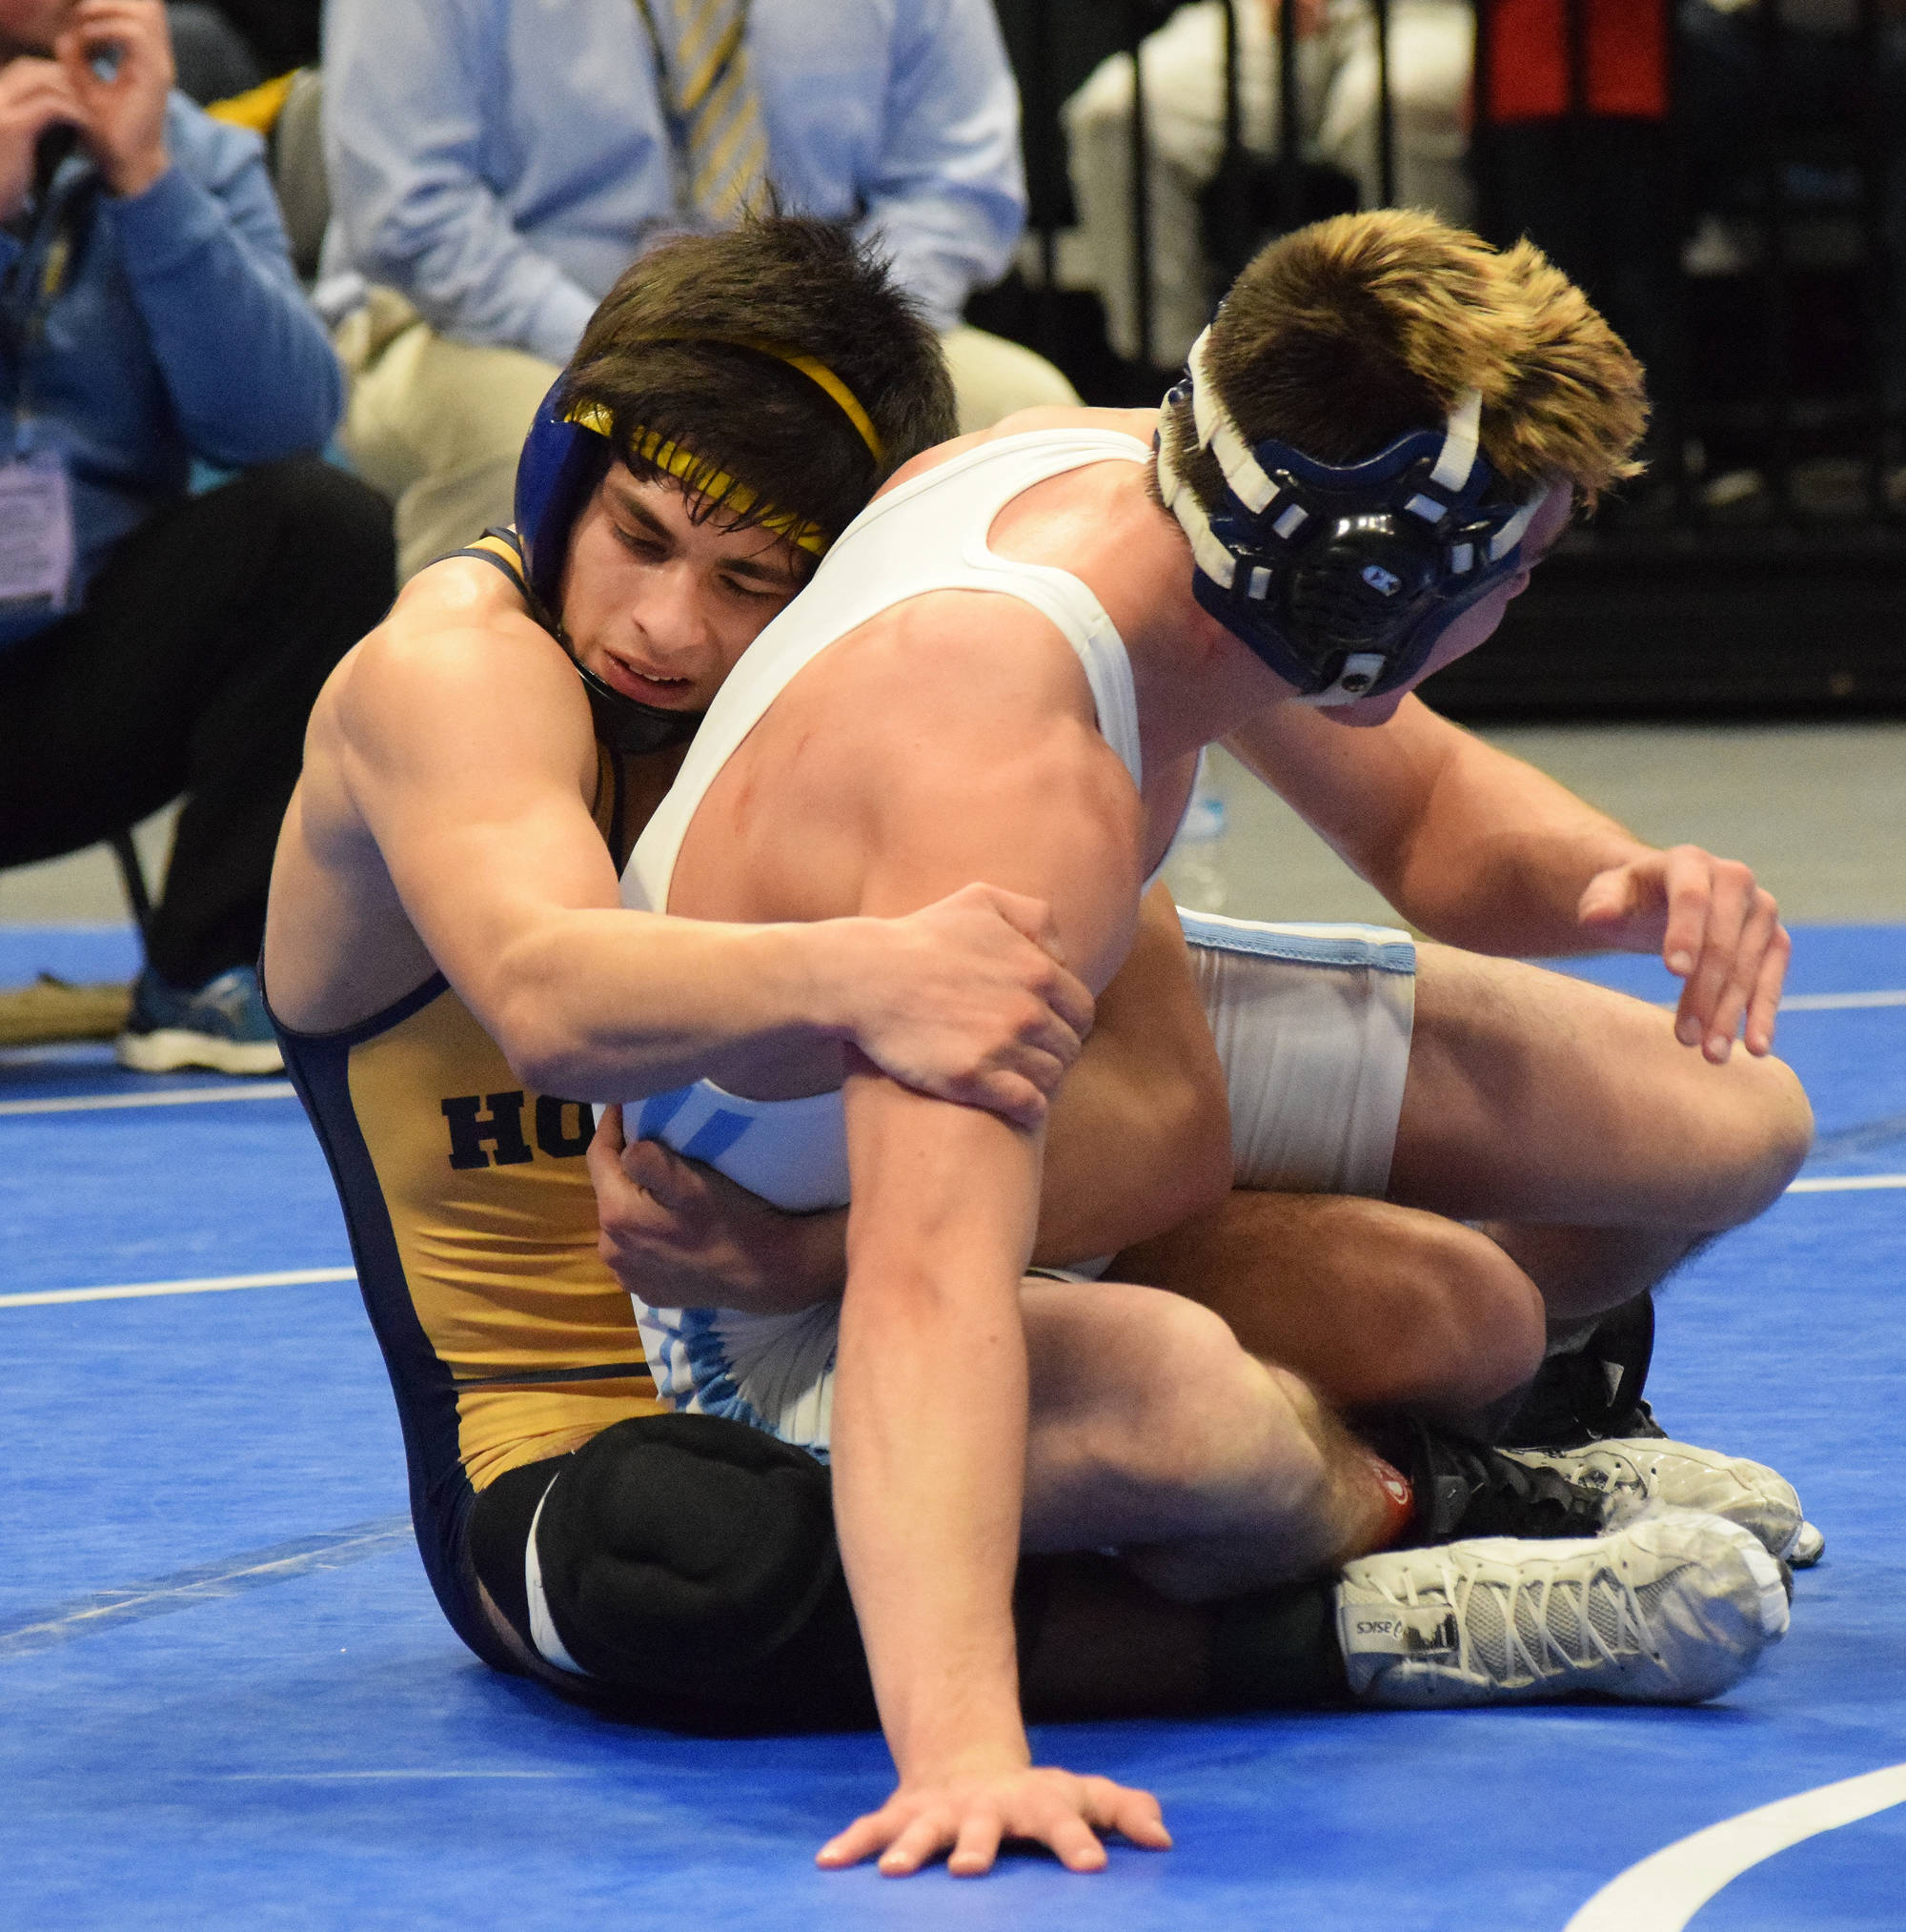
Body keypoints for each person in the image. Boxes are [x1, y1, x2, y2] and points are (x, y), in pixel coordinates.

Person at [266, 213, 1798, 1844]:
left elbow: (1202, 1069)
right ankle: (1381, 1556)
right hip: (607, 1365)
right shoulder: (476, 686)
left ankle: (1509, 1414)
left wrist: (1627, 884)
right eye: (639, 536)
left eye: (755, 578)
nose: (669, 627)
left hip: (888, 1126)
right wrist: (961, 1755)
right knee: (702, 1558)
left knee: (1715, 1129)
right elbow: (564, 1002)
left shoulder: (1104, 498)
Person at [318, 0, 1079, 582]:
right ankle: (501, 764)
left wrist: (836, 343)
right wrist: (656, 353)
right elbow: (411, 214)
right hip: (496, 321)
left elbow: (960, 186)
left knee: (1030, 433)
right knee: (535, 439)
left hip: (821, 321)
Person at [0, 0, 394, 1073]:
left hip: (75, 680)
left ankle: (210, 967)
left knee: (315, 525)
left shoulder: (191, 150)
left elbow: (283, 422)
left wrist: (147, 182)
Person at [1064, 0, 1473, 367]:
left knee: (1401, 104)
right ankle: (1178, 387)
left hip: (1424, 13)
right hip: (1255, 15)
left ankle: (1434, 375)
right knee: (1116, 114)